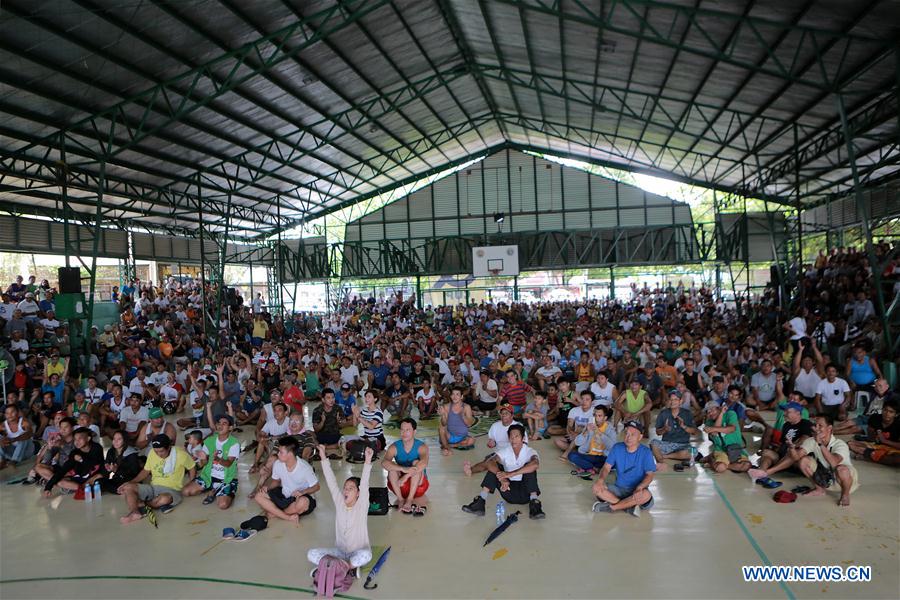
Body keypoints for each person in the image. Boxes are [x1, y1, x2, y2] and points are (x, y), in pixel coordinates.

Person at [307, 445, 374, 579]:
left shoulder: (362, 505)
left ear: (358, 493)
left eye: (351, 488)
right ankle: (348, 569)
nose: (346, 491)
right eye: (345, 488)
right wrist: (323, 456)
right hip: (340, 552)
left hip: (357, 553)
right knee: (311, 553)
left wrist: (367, 461)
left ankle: (336, 567)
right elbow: (331, 481)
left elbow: (365, 484)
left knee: (367, 555)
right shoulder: (340, 502)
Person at [461, 424, 545, 519]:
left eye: (516, 436)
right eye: (511, 437)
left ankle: (535, 505)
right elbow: (489, 462)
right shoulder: (505, 451)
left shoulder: (530, 452)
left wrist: (509, 474)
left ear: (523, 438)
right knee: (494, 466)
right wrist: (502, 479)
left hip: (526, 493)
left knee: (529, 467)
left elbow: (535, 464)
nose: (513, 439)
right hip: (508, 490)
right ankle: (480, 503)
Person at [118, 434, 196, 523]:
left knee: (164, 499)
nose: (158, 454)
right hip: (153, 488)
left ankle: (142, 504)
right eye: (156, 451)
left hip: (172, 490)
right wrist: (130, 482)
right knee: (128, 487)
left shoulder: (181, 454)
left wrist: (191, 483)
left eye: (161, 451)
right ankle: (135, 512)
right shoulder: (152, 453)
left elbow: (192, 467)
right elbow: (145, 471)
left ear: (169, 447)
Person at [591, 420, 656, 517]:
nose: (628, 437)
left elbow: (650, 475)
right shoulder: (617, 448)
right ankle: (628, 506)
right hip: (619, 489)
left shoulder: (646, 452)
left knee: (646, 495)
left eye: (633, 434)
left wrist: (640, 487)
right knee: (596, 488)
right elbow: (606, 467)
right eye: (626, 433)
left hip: (637, 491)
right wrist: (600, 480)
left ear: (640, 437)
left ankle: (613, 507)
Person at [253, 436, 319, 523]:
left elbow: (316, 487)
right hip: (284, 495)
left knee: (303, 503)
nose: (278, 454)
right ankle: (287, 516)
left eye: (281, 452)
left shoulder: (305, 467)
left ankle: (276, 513)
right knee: (259, 496)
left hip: (299, 497)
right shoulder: (277, 464)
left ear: (290, 454)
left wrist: (303, 492)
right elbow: (276, 482)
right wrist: (267, 488)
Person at [797, 414, 860, 506]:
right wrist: (791, 448)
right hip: (826, 478)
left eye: (820, 426)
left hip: (845, 482)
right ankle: (819, 489)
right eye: (815, 425)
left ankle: (845, 495)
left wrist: (820, 444)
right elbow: (797, 456)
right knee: (803, 461)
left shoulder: (840, 444)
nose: (816, 428)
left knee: (841, 469)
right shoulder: (812, 441)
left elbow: (834, 462)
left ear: (829, 428)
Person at [182, 414, 240, 510]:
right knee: (185, 491)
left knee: (223, 505)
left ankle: (223, 490)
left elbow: (229, 463)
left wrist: (217, 459)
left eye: (224, 424)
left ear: (230, 428)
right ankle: (212, 488)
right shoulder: (209, 440)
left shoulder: (234, 443)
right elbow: (203, 464)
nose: (220, 426)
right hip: (208, 476)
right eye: (218, 423)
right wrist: (204, 458)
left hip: (226, 478)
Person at [749, 402, 814, 486]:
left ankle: (766, 472)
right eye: (785, 411)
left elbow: (805, 438)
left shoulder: (806, 423)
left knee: (792, 453)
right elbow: (783, 443)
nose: (784, 414)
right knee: (766, 452)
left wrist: (792, 446)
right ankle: (761, 473)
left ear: (797, 413)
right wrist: (776, 448)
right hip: (785, 458)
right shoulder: (786, 425)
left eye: (788, 412)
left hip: (797, 460)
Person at [381, 417, 429, 514]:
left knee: (416, 463)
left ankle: (410, 500)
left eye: (408, 430)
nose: (404, 432)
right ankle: (401, 500)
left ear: (414, 432)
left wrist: (406, 476)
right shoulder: (394, 447)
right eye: (402, 430)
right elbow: (384, 463)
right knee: (392, 467)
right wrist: (403, 468)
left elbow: (424, 463)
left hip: (418, 487)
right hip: (399, 486)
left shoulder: (421, 446)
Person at [463, 403, 525, 476]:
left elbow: (524, 445)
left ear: (512, 415)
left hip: (513, 454)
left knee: (488, 462)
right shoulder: (495, 426)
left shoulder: (519, 427)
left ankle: (471, 470)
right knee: (488, 460)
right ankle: (471, 469)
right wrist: (491, 443)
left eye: (506, 413)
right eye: (502, 413)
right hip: (498, 453)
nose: (503, 415)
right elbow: (492, 442)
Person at [42, 427, 105, 497]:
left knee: (101, 482)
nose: (77, 442)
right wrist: (48, 487)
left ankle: (78, 488)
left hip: (94, 476)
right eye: (75, 439)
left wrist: (81, 460)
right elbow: (63, 470)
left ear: (88, 438)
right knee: (60, 482)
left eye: (80, 438)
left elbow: (94, 464)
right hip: (80, 478)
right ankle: (82, 488)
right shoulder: (75, 453)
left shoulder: (97, 448)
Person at [650, 390, 698, 469]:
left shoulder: (687, 413)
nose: (672, 402)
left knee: (693, 452)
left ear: (681, 401)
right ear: (668, 401)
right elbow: (658, 432)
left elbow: (694, 431)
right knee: (653, 443)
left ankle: (666, 456)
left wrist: (684, 426)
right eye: (671, 400)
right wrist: (664, 429)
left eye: (675, 399)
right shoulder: (663, 413)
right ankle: (661, 462)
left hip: (683, 445)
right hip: (667, 444)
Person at [701, 403, 751, 475]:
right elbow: (715, 433)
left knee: (746, 466)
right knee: (720, 468)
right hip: (720, 450)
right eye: (708, 412)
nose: (710, 413)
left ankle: (715, 462)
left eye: (712, 410)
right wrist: (720, 415)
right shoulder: (708, 422)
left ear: (719, 409)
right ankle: (712, 459)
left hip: (735, 448)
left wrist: (713, 428)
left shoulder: (730, 414)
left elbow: (731, 429)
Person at [567, 405, 616, 477]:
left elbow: (613, 447)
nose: (596, 418)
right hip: (589, 455)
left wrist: (600, 433)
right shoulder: (589, 426)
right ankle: (593, 468)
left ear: (605, 418)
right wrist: (585, 432)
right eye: (594, 415)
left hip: (603, 457)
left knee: (616, 462)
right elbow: (577, 442)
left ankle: (587, 467)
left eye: (599, 416)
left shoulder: (610, 429)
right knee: (571, 455)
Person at [849, 400, 900, 466]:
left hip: (893, 449)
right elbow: (871, 439)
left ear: (896, 414)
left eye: (891, 412)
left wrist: (885, 441)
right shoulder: (875, 418)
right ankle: (872, 454)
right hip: (877, 446)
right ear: (882, 410)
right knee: (850, 444)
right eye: (885, 410)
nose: (887, 413)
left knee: (898, 459)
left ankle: (867, 456)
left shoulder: (898, 424)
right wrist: (871, 432)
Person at [101, 430, 143, 494]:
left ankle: (124, 490)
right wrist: (108, 468)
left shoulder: (131, 454)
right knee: (100, 482)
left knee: (126, 486)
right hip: (118, 478)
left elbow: (134, 473)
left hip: (130, 480)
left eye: (119, 439)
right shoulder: (111, 451)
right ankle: (121, 491)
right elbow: (107, 463)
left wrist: (116, 470)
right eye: (114, 439)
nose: (115, 441)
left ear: (125, 440)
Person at [438, 386, 475, 455]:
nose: (454, 397)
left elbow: (469, 424)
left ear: (461, 396)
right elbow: (444, 423)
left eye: (457, 394)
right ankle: (447, 447)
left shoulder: (466, 407)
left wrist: (463, 415)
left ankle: (449, 445)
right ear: (451, 396)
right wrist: (443, 415)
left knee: (471, 440)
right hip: (449, 436)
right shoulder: (446, 406)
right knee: (441, 428)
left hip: (462, 437)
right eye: (453, 394)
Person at [0, 404, 34, 468]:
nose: (10, 415)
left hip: (26, 452)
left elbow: (29, 434)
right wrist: (2, 440)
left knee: (23, 436)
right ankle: (1, 460)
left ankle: (13, 461)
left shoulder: (24, 422)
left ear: (18, 413)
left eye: (12, 412)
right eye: (7, 413)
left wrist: (14, 439)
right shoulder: (3, 425)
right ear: (5, 415)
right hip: (11, 453)